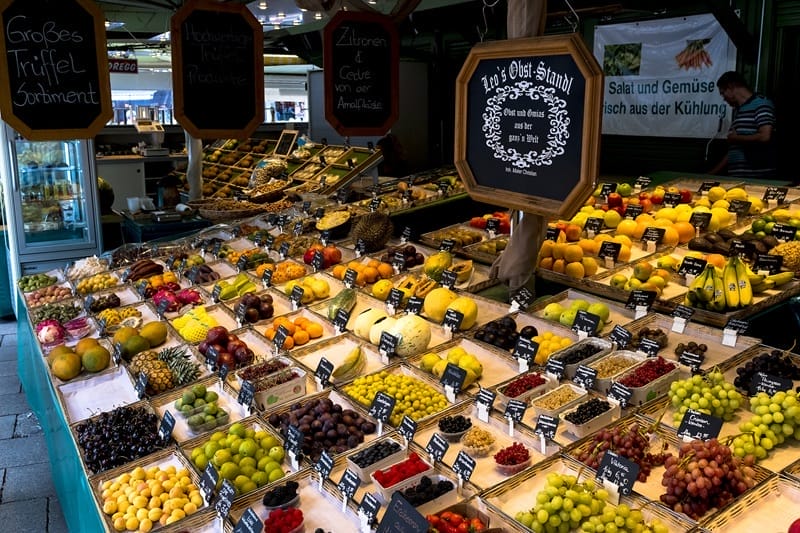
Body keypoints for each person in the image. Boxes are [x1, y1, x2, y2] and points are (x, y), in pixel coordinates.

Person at [708, 71, 778, 179]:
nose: (723, 98)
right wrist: (711, 174)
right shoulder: (738, 110)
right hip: (738, 178)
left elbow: (765, 136)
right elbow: (735, 148)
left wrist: (736, 138)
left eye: (723, 93)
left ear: (731, 87)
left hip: (757, 177)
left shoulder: (761, 103)